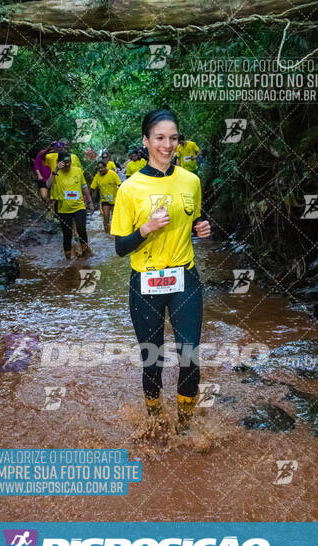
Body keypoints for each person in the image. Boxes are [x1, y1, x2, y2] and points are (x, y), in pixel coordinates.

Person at [111, 109, 211, 431]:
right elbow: (120, 247)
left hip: (185, 278)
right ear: (146, 141)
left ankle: (185, 426)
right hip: (146, 283)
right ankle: (154, 421)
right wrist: (146, 229)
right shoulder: (129, 189)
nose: (167, 145)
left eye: (173, 138)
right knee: (153, 360)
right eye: (160, 138)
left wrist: (201, 227)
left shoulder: (191, 181)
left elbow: (194, 217)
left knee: (190, 356)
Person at [46, 151, 94, 260]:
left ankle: (86, 254)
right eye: (65, 162)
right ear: (59, 162)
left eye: (69, 162)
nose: (67, 164)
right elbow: (48, 185)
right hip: (63, 209)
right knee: (67, 234)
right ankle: (68, 260)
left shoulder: (77, 171)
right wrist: (55, 171)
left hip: (79, 206)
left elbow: (84, 186)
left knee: (81, 229)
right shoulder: (56, 173)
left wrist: (90, 202)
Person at [44, 139, 83, 217]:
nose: (65, 146)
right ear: (58, 146)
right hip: (57, 192)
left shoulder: (74, 157)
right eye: (62, 144)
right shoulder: (52, 156)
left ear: (69, 146)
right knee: (61, 217)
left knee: (74, 216)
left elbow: (80, 175)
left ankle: (73, 228)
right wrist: (49, 148)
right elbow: (41, 157)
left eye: (67, 144)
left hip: (72, 191)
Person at [90, 161, 121, 233]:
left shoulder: (113, 174)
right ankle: (107, 235)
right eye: (98, 168)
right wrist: (89, 199)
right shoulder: (97, 176)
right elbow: (92, 188)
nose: (100, 170)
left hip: (115, 200)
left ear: (105, 167)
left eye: (101, 168)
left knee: (115, 219)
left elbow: (120, 185)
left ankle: (116, 234)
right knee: (106, 218)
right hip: (105, 201)